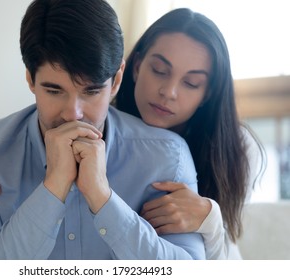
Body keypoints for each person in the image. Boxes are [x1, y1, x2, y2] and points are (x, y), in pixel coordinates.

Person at [0, 7, 264, 259]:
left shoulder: (171, 153)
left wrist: (102, 196)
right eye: (54, 91)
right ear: (29, 79)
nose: (73, 114)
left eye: (91, 91)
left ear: (115, 81)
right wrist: (54, 187)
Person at [114, 8, 265, 259]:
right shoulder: (102, 128)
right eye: (160, 70)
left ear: (207, 93)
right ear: (137, 67)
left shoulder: (237, 148)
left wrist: (210, 219)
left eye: (191, 83)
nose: (169, 91)